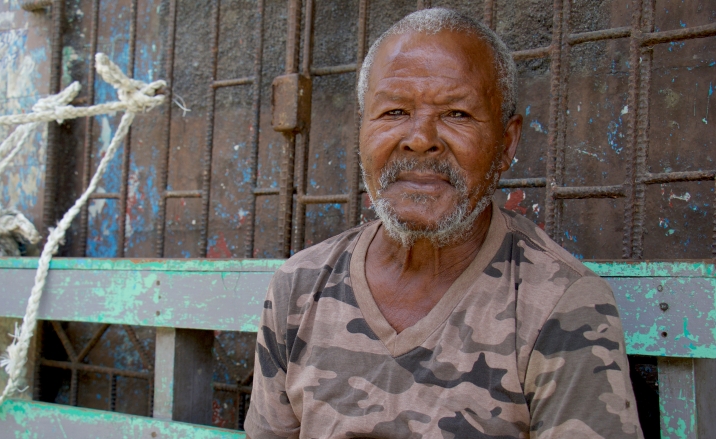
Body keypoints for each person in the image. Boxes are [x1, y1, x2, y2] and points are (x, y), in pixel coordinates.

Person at [244, 8, 643, 439]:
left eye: (457, 114)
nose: (420, 139)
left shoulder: (560, 304)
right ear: (362, 131)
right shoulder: (300, 286)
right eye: (395, 111)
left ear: (506, 143)